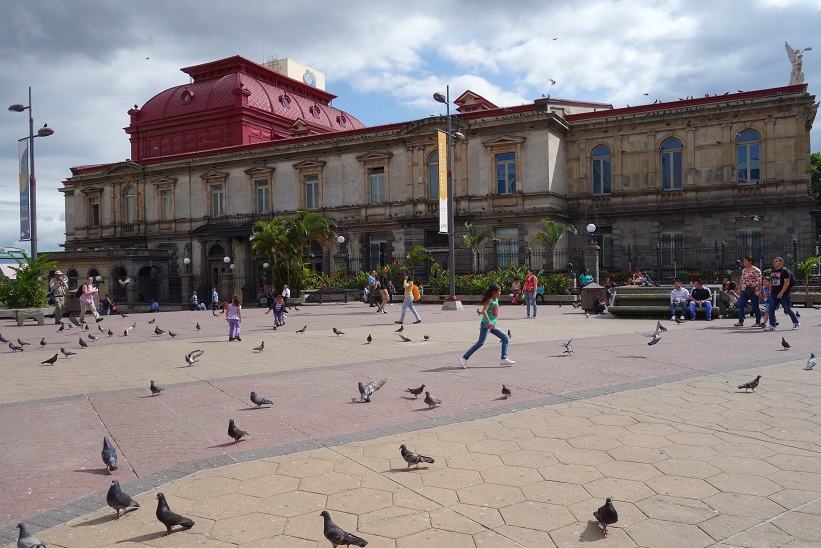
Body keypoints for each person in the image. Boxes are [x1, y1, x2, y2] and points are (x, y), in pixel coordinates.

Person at [460, 283, 514, 368]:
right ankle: (464, 358)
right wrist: (489, 322)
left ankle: (504, 359)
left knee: (505, 338)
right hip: (486, 325)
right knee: (480, 343)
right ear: (493, 292)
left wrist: (491, 323)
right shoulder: (490, 300)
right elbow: (484, 311)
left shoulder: (496, 300)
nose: (500, 293)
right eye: (499, 291)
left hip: (493, 325)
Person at [765, 256, 799, 331]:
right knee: (771, 309)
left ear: (781, 263)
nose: (774, 262)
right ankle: (772, 325)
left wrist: (781, 293)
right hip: (774, 294)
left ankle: (796, 322)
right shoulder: (773, 271)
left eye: (776, 261)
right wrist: (770, 293)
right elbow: (771, 283)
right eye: (774, 261)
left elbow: (786, 283)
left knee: (787, 309)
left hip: (784, 294)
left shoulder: (785, 271)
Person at [735, 257, 762, 327]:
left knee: (755, 306)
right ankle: (740, 321)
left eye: (745, 261)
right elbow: (742, 280)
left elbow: (759, 281)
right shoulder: (744, 270)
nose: (743, 262)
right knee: (741, 304)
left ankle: (758, 321)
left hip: (753, 290)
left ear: (750, 262)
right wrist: (739, 289)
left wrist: (758, 290)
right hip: (744, 290)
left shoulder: (756, 270)